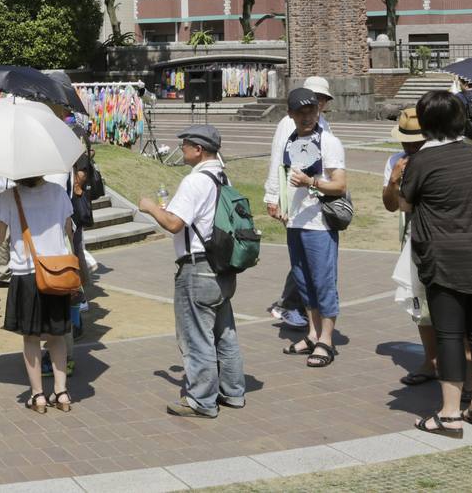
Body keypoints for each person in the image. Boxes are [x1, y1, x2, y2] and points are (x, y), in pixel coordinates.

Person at [399, 92, 472, 437]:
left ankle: (449, 415)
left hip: (446, 259)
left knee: (449, 334)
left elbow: (406, 203)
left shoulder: (422, 160)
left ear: (426, 124)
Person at [138, 125, 245, 418]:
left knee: (196, 337)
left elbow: (174, 223)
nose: (181, 148)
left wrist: (150, 207)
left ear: (198, 150)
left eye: (185, 144)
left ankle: (201, 400)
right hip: (222, 267)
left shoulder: (195, 181)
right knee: (225, 333)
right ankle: (233, 392)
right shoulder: (222, 175)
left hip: (197, 269)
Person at [265, 87, 348, 368]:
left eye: (311, 110)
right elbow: (281, 173)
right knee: (303, 281)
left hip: (320, 224)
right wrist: (277, 201)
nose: (307, 116)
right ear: (290, 114)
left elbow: (340, 184)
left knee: (323, 281)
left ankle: (327, 339)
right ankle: (312, 334)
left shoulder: (329, 142)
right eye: (300, 112)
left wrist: (311, 182)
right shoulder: (289, 141)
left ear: (318, 110)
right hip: (295, 222)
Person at [0, 171, 76, 413]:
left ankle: (38, 395)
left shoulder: (8, 197)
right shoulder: (58, 193)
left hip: (26, 274)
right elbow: (69, 229)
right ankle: (62, 392)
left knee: (31, 338)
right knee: (57, 336)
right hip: (56, 271)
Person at [262, 76, 333, 331]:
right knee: (303, 260)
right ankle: (290, 305)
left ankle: (301, 308)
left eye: (322, 100)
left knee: (312, 260)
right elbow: (277, 161)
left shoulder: (324, 124)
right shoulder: (287, 124)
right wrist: (273, 197)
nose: (318, 104)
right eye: (315, 98)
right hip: (293, 200)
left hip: (316, 202)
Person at [381, 107, 439, 385]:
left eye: (416, 140)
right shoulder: (397, 160)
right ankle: (431, 361)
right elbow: (391, 206)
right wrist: (394, 179)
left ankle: (462, 365)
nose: (410, 146)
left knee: (449, 304)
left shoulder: (439, 158)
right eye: (406, 140)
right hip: (412, 238)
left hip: (442, 239)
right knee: (420, 304)